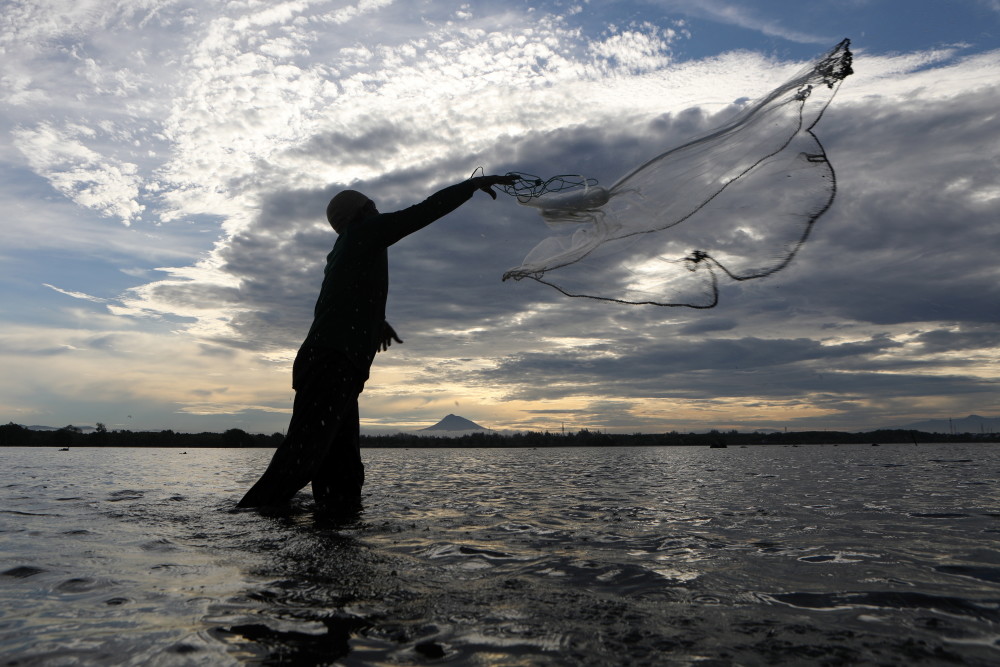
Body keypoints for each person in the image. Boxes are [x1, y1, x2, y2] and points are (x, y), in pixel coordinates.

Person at [237, 173, 517, 514]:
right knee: (302, 458)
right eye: (372, 205)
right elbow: (422, 212)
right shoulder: (364, 233)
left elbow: (339, 299)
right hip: (331, 363)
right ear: (362, 212)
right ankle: (242, 519)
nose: (378, 209)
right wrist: (472, 184)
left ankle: (335, 533)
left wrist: (376, 321)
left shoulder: (349, 247)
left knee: (342, 471)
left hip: (335, 365)